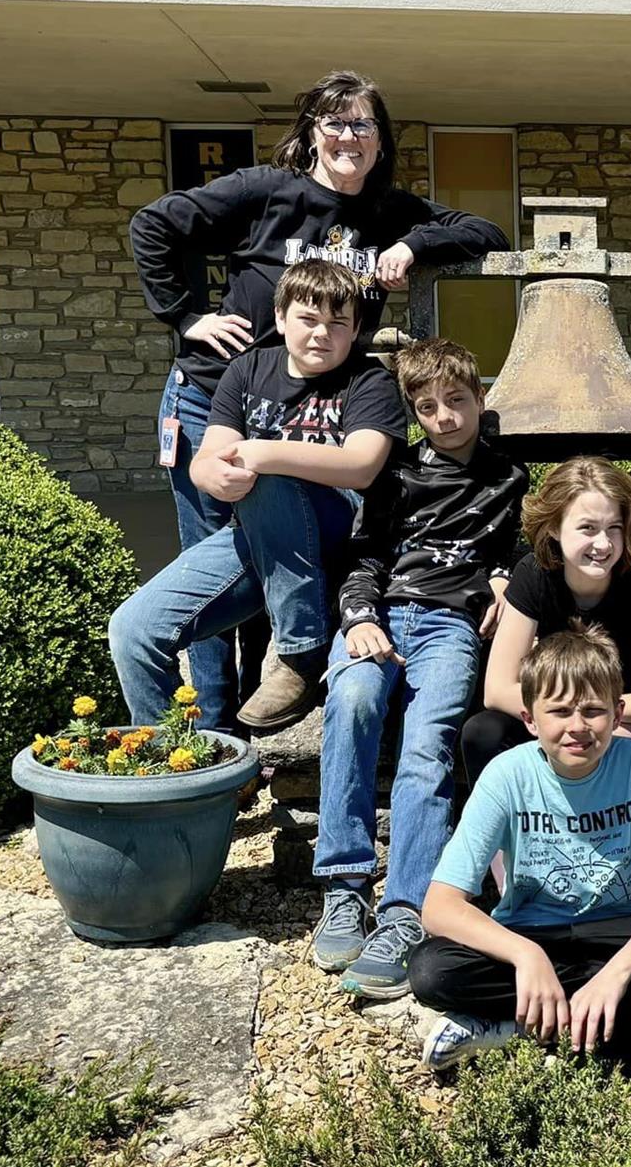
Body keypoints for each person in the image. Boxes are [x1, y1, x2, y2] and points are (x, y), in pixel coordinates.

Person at [128, 70, 508, 724]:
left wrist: (413, 245)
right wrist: (185, 315)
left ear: (382, 140)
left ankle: (280, 684)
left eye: (363, 123)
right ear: (311, 131)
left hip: (312, 411)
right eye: (334, 122)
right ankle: (217, 734)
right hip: (213, 395)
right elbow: (153, 225)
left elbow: (485, 234)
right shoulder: (264, 191)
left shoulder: (389, 210)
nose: (348, 136)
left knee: (280, 553)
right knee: (213, 570)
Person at [406, 626, 631, 1070]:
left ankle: (521, 1024)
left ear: (617, 713)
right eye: (559, 712)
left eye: (593, 711)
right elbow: (439, 907)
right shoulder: (506, 775)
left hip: (623, 933)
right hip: (535, 932)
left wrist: (616, 975)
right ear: (530, 719)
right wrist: (525, 955)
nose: (578, 727)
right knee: (431, 969)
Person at [310, 339, 528, 998]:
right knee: (351, 705)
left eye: (456, 400)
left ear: (479, 398)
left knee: (429, 742)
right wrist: (359, 617)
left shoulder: (506, 477)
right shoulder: (395, 473)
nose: (444, 416)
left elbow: (514, 545)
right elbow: (364, 555)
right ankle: (345, 885)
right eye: (427, 406)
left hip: (448, 628)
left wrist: (503, 577)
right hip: (380, 615)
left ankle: (406, 910)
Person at [108, 260, 401, 730]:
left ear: (356, 329)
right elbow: (209, 459)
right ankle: (173, 771)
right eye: (308, 319)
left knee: (269, 471)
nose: (321, 334)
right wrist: (210, 475)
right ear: (281, 318)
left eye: (337, 324)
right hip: (256, 537)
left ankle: (301, 654)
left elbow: (361, 467)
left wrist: (261, 453)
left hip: (340, 536)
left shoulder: (369, 382)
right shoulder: (248, 370)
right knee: (133, 632)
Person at [463, 458, 631, 909]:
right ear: (555, 529)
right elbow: (498, 688)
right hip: (562, 722)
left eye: (614, 529)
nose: (603, 544)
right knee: (482, 731)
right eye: (587, 528)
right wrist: (569, 718)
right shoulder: (534, 576)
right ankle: (518, 890)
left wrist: (609, 716)